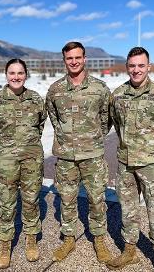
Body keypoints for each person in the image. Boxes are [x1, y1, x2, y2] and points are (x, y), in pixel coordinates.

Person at [106, 47, 154, 272]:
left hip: (152, 165)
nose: (136, 70)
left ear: (148, 66)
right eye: (132, 66)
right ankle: (130, 251)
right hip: (125, 164)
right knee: (127, 209)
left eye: (141, 65)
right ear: (127, 67)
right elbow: (115, 124)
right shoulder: (117, 95)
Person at [45, 41, 113, 263]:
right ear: (64, 60)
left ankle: (99, 239)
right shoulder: (55, 90)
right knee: (66, 198)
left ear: (85, 59)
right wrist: (68, 139)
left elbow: (106, 118)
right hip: (66, 156)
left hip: (92, 155)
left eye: (77, 57)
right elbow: (55, 119)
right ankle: (68, 239)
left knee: (96, 198)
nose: (73, 62)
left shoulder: (99, 88)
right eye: (69, 58)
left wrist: (92, 137)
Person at [0, 58, 47, 269]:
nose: (16, 77)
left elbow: (40, 124)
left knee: (31, 201)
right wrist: (4, 143)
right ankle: (5, 244)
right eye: (12, 73)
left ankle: (31, 240)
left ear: (26, 75)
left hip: (31, 161)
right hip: (5, 163)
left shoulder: (35, 99)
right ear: (6, 75)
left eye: (20, 73)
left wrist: (28, 143)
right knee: (7, 205)